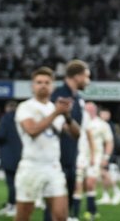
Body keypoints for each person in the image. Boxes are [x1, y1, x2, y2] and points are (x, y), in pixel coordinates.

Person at [14, 66, 80, 221]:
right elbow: (31, 130)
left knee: (61, 216)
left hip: (53, 166)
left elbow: (76, 134)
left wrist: (68, 116)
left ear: (52, 86)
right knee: (23, 216)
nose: (43, 85)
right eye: (39, 82)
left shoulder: (53, 108)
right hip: (31, 166)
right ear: (32, 86)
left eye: (47, 82)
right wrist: (56, 113)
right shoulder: (25, 107)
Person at [45, 59, 91, 221]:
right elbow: (54, 126)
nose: (88, 81)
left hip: (71, 159)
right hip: (57, 160)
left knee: (65, 208)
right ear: (77, 76)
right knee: (54, 210)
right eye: (87, 77)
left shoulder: (77, 98)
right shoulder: (58, 96)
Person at [0, 100, 23, 217]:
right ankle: (16, 204)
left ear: (7, 108)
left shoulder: (6, 118)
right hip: (23, 154)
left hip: (9, 155)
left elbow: (0, 135)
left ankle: (12, 205)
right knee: (19, 182)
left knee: (11, 182)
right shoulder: (23, 118)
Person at [96, 107, 120, 206]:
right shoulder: (101, 125)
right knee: (103, 174)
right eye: (104, 113)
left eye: (107, 114)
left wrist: (107, 155)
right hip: (102, 152)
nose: (105, 115)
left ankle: (117, 191)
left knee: (104, 172)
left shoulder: (109, 126)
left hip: (107, 153)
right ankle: (106, 196)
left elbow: (110, 142)